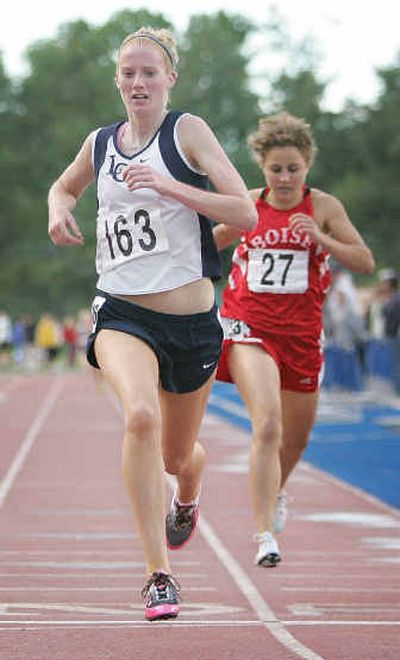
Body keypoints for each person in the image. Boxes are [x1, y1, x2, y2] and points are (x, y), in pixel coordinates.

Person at [47, 27, 257, 621]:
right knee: (138, 414)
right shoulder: (99, 145)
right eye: (128, 72)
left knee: (177, 456)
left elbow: (244, 211)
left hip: (190, 324)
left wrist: (170, 186)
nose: (138, 82)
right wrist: (60, 209)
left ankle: (188, 492)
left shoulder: (186, 133)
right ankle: (158, 574)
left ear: (170, 80)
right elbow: (64, 187)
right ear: (117, 80)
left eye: (149, 72)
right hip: (121, 313)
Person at [214, 112, 375, 567]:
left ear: (307, 166)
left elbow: (364, 260)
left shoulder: (323, 207)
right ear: (262, 168)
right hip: (249, 327)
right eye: (275, 170)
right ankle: (264, 533)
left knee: (296, 439)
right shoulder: (247, 204)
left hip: (302, 336)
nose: (284, 178)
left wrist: (322, 239)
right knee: (267, 424)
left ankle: (276, 490)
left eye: (293, 169)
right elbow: (209, 243)